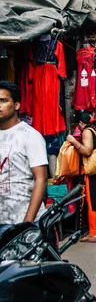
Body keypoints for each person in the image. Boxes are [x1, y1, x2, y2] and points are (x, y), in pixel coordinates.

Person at [0, 81, 48, 235]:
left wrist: (28, 222)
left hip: (23, 221)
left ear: (17, 105)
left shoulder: (30, 136)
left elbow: (41, 179)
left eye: (3, 101)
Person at [67, 111, 96, 243]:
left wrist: (73, 142)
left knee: (93, 201)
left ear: (81, 123)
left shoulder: (87, 131)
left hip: (94, 170)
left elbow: (87, 151)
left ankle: (93, 234)